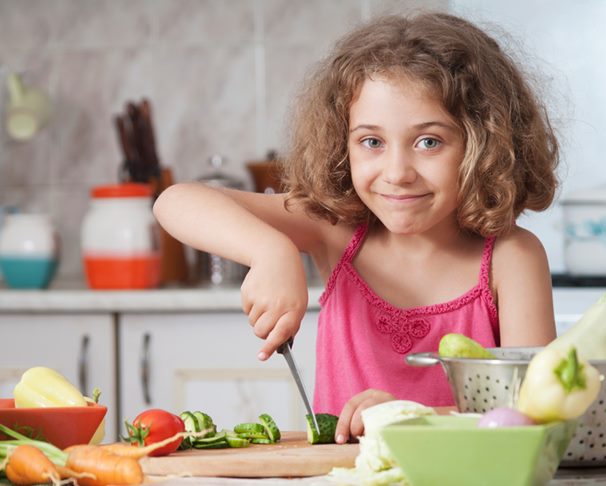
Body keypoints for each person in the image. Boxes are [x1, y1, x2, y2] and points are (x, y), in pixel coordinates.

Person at [153, 11, 560, 444]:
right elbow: (175, 201)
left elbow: (534, 415)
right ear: (342, 145)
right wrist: (271, 252)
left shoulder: (511, 258)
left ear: (483, 144)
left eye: (429, 142)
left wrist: (409, 419)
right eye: (372, 142)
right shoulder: (337, 232)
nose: (397, 172)